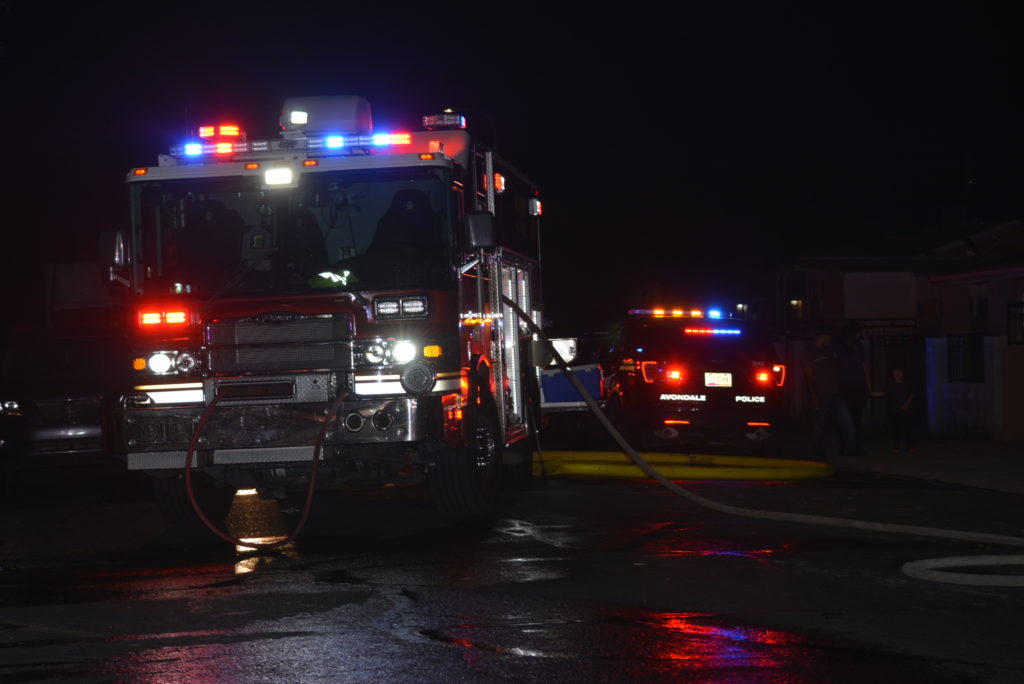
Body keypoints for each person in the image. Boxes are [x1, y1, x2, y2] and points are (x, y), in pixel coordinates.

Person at [802, 327, 859, 459]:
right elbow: (808, 375)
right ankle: (818, 452)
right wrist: (813, 394)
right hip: (821, 393)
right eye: (828, 338)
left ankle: (852, 448)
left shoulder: (829, 352)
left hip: (835, 392)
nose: (830, 340)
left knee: (847, 420)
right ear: (822, 337)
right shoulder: (809, 353)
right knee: (819, 424)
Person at [837, 321, 872, 448]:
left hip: (846, 385)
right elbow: (865, 368)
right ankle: (855, 445)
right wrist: (868, 386)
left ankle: (846, 445)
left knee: (846, 417)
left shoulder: (841, 347)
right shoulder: (858, 347)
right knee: (856, 417)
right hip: (856, 385)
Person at [880, 366, 915, 453]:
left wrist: (906, 404)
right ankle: (896, 447)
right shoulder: (890, 385)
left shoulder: (907, 384)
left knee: (907, 428)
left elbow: (912, 394)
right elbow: (883, 393)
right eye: (895, 373)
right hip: (894, 410)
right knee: (895, 429)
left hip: (906, 410)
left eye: (899, 372)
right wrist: (869, 392)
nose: (897, 374)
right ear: (892, 374)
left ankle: (910, 446)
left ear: (902, 374)